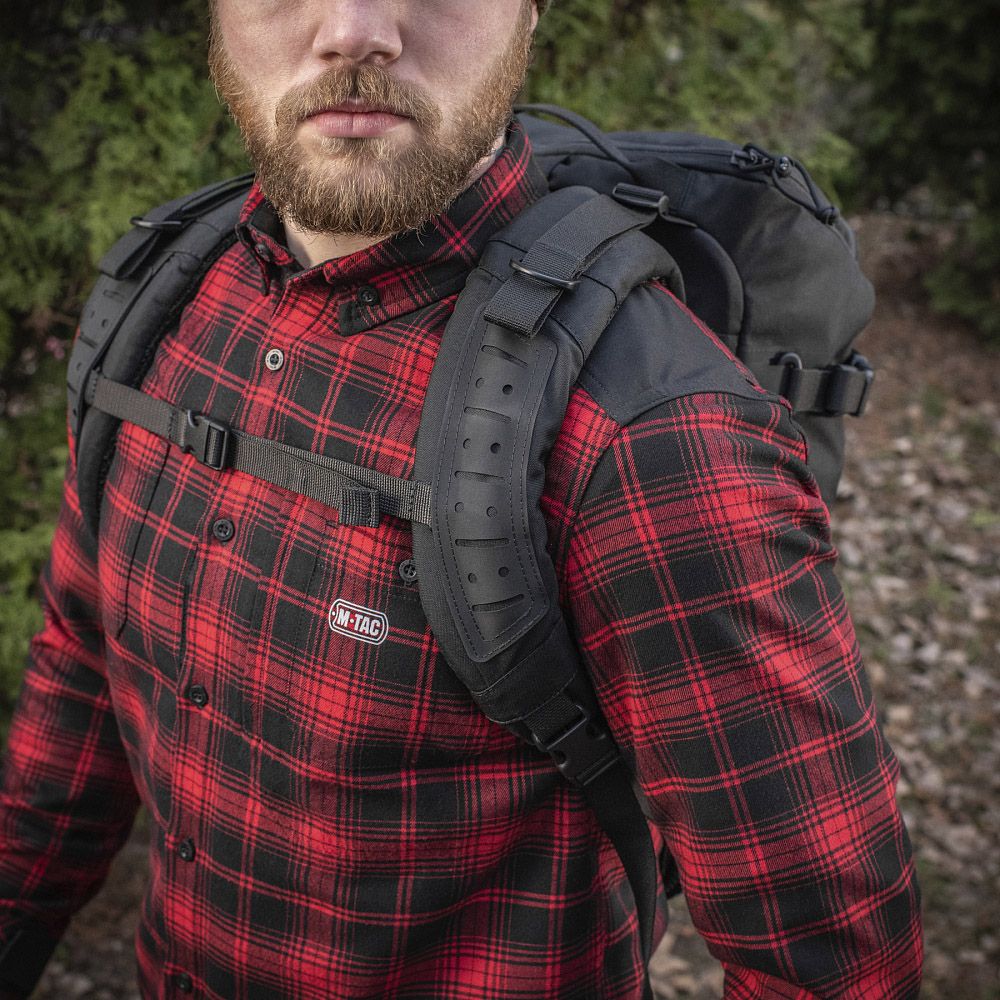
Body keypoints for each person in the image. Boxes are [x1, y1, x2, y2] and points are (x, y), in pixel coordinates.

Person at [0, 1, 922, 997]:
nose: (354, 29)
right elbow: (81, 667)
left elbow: (832, 966)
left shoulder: (648, 429)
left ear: (530, 13)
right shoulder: (162, 301)